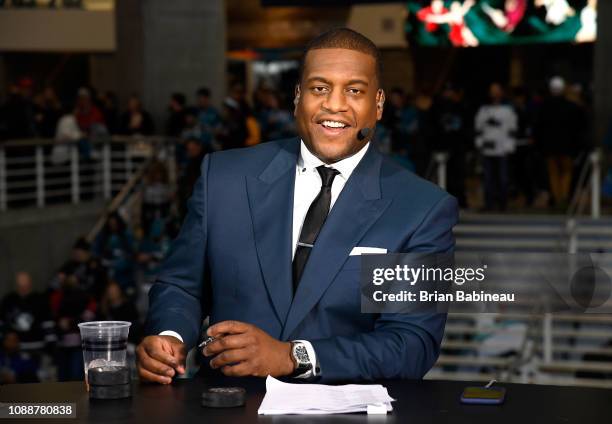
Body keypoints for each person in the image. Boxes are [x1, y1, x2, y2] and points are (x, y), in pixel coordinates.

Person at [138, 28, 458, 384]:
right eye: (319, 88)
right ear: (297, 97)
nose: (334, 104)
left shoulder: (423, 209)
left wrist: (292, 356)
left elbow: (412, 344)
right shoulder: (223, 177)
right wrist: (170, 337)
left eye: (354, 90)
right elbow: (182, 285)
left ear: (378, 104)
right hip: (228, 408)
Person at [475, 83, 517, 211]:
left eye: (497, 90)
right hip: (487, 148)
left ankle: (503, 204)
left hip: (502, 148)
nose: (494, 93)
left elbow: (512, 128)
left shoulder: (508, 110)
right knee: (488, 178)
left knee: (503, 178)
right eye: (492, 90)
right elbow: (478, 127)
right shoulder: (484, 110)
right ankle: (489, 204)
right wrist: (479, 141)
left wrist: (510, 144)